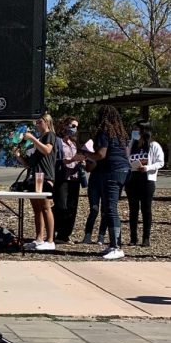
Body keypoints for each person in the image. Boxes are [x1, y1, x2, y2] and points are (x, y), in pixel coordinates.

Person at [75, 105, 129, 260]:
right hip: (122, 170)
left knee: (110, 208)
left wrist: (85, 153)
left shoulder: (104, 132)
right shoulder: (119, 133)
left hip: (112, 171)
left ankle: (117, 247)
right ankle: (113, 244)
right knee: (108, 207)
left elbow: (100, 154)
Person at [15, 113, 57, 251]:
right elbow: (29, 164)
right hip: (34, 176)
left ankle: (50, 240)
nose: (37, 124)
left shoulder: (49, 135)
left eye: (39, 122)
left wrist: (32, 139)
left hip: (45, 177)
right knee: (36, 209)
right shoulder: (38, 140)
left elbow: (47, 150)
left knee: (45, 207)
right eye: (36, 122)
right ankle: (39, 238)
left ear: (47, 122)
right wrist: (19, 156)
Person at [126, 121, 164, 247]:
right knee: (133, 209)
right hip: (132, 179)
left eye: (137, 129)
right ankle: (133, 238)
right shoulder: (132, 144)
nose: (135, 132)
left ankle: (146, 238)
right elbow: (127, 158)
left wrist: (148, 167)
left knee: (146, 209)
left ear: (144, 130)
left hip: (147, 180)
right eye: (134, 129)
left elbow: (160, 162)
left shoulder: (154, 145)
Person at [53, 117, 84, 244]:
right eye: (72, 125)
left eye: (76, 126)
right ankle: (54, 231)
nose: (74, 129)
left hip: (74, 178)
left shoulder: (74, 143)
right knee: (61, 206)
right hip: (62, 177)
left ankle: (64, 235)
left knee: (72, 207)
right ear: (64, 125)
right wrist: (68, 161)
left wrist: (80, 160)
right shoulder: (57, 141)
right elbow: (53, 159)